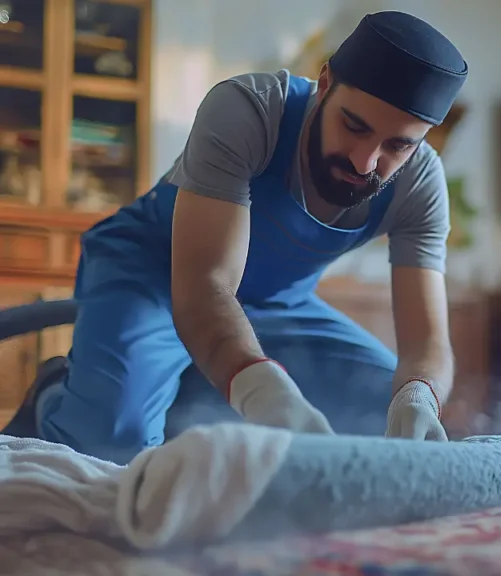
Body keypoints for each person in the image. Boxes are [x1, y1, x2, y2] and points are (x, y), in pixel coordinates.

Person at [1, 11, 469, 464]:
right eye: (354, 125)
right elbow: (206, 285)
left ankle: (178, 392)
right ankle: (58, 391)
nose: (365, 162)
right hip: (155, 278)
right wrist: (259, 388)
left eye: (399, 145)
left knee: (376, 414)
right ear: (325, 84)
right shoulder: (249, 111)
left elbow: (427, 343)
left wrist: (418, 397)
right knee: (112, 443)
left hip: (275, 306)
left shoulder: (420, 185)